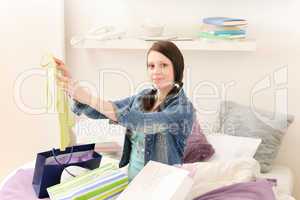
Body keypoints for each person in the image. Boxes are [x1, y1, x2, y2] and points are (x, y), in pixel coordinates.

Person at [55, 40, 196, 181]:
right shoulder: (143, 96)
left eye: (163, 65)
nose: (156, 71)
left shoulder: (183, 109)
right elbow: (102, 112)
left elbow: (142, 122)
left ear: (176, 68)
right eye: (151, 66)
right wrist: (72, 86)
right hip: (131, 183)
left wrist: (88, 97)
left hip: (161, 187)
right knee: (69, 173)